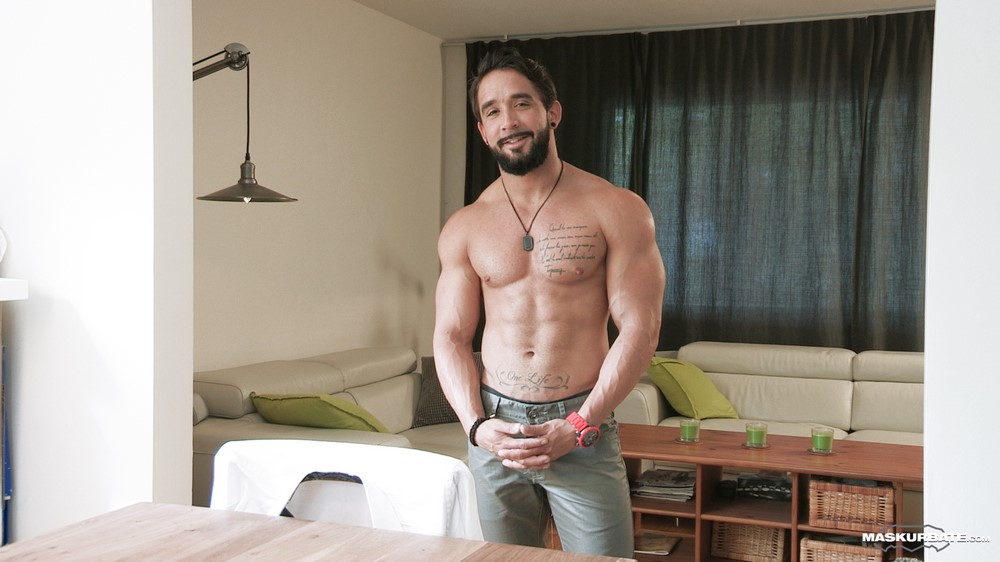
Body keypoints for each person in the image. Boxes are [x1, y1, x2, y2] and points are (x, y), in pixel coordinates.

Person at [432, 46, 665, 558]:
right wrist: (477, 426)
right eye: (492, 111)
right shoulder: (465, 226)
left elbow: (640, 328)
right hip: (495, 427)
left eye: (521, 103)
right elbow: (450, 336)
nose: (509, 121)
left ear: (552, 112)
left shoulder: (616, 208)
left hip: (581, 420)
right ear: (482, 131)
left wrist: (581, 422)